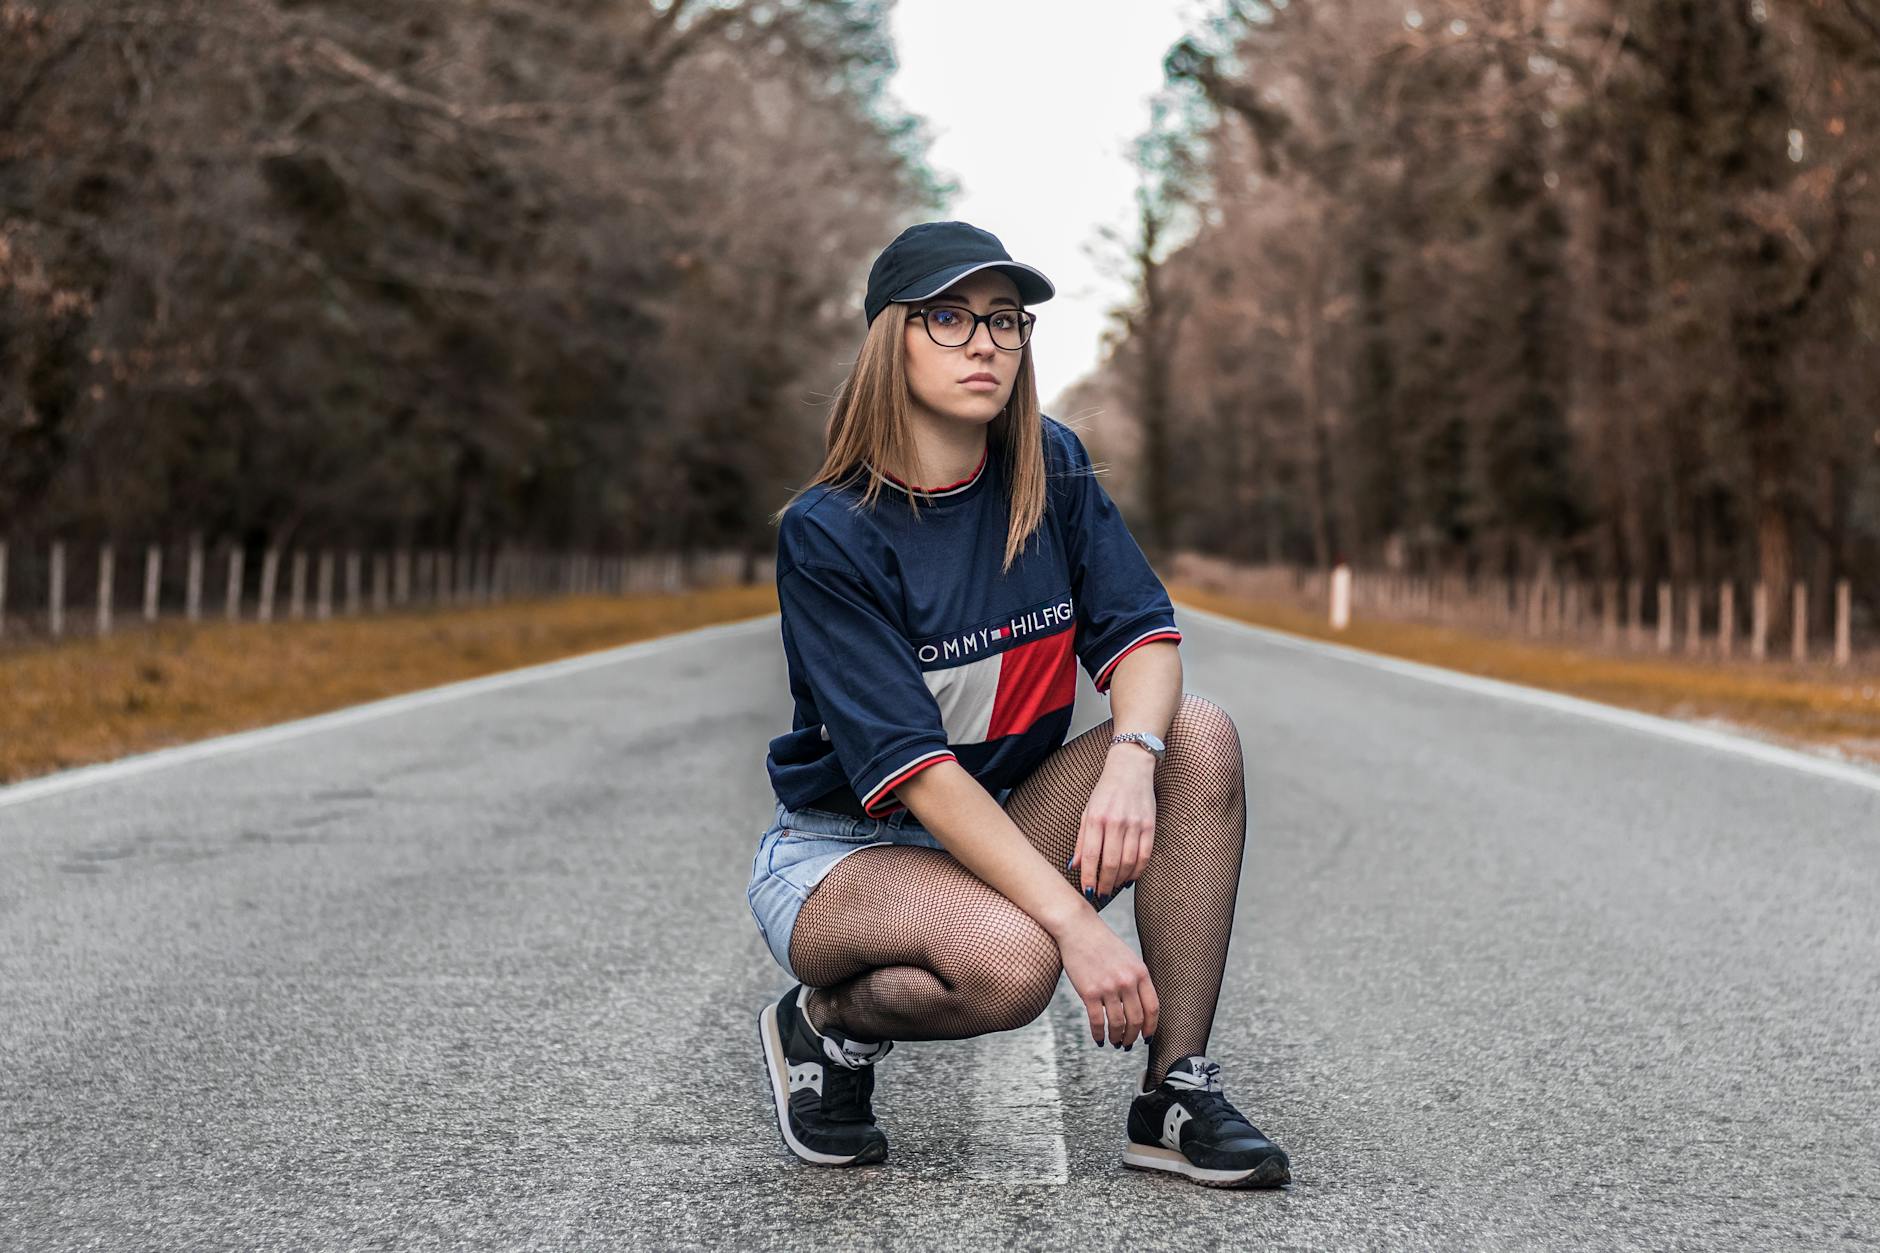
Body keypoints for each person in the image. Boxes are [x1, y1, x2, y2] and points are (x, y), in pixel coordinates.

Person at [748, 220, 1291, 1189]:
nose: (984, 342)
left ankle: (1173, 1093)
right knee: (1011, 964)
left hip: (991, 823)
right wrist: (1078, 928)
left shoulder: (1049, 464)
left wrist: (1130, 755)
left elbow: (1144, 640)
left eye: (1004, 320)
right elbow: (915, 770)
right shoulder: (829, 531)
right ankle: (820, 1022)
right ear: (889, 339)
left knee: (1193, 733)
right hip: (848, 846)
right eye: (947, 317)